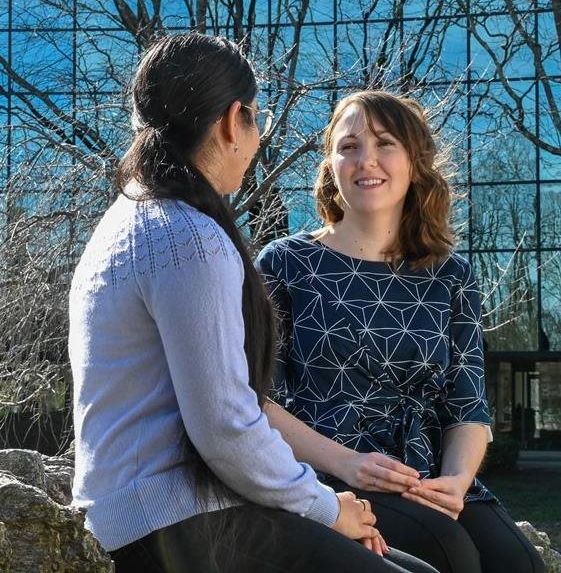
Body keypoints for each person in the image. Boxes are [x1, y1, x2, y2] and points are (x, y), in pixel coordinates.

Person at [68, 35, 437, 573]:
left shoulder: (129, 219)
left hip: (154, 515)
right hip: (173, 521)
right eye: (255, 118)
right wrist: (326, 506)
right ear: (230, 120)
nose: (257, 136)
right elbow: (225, 426)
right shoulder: (187, 237)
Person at [256, 90, 545, 573]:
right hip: (334, 480)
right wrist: (347, 462)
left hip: (431, 477)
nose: (366, 160)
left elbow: (468, 407)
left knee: (519, 564)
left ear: (416, 162)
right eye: (349, 146)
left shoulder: (451, 275)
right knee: (452, 555)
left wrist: (455, 481)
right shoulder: (286, 264)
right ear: (331, 164)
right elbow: (254, 401)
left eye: (384, 143)